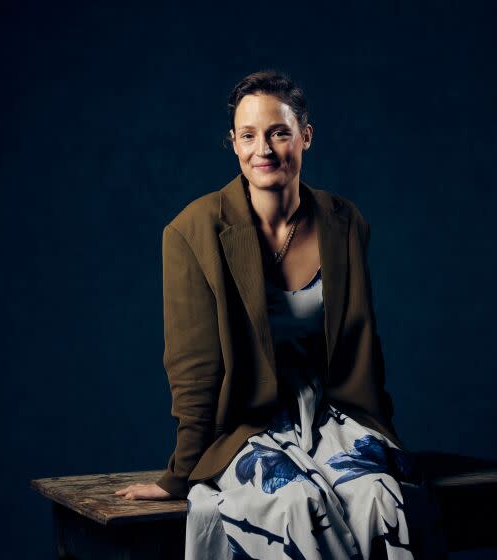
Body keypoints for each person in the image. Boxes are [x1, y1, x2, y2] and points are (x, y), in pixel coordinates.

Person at [115, 70, 444, 559]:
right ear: (232, 143)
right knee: (297, 503)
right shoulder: (192, 231)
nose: (263, 149)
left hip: (334, 419)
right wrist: (180, 474)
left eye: (279, 132)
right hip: (248, 425)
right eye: (248, 135)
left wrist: (381, 437)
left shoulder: (344, 222)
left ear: (305, 137)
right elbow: (194, 369)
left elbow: (362, 350)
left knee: (379, 498)